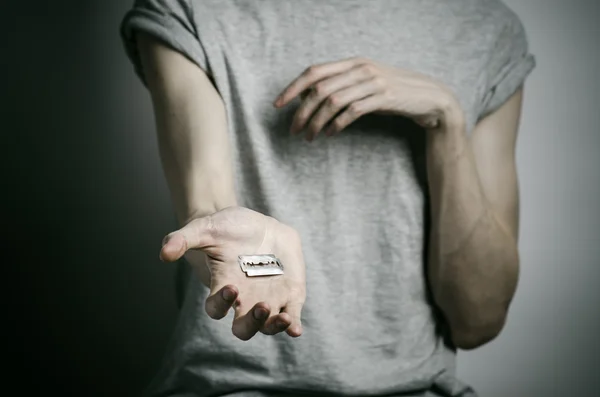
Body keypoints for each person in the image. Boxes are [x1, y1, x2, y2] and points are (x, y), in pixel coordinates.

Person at [120, 0, 535, 396]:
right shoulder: (192, 9)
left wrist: (447, 118)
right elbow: (207, 206)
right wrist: (240, 250)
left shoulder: (486, 30)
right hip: (231, 387)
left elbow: (478, 319)